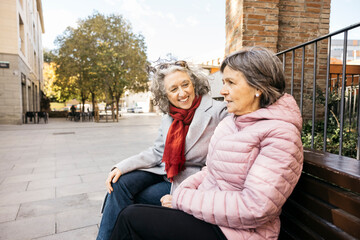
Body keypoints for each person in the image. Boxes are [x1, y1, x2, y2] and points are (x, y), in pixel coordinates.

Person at [110, 47, 304, 240]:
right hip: (210, 212)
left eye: (231, 83)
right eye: (224, 82)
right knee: (124, 191)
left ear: (258, 88)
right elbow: (209, 171)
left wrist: (182, 199)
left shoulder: (280, 134)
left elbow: (255, 207)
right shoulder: (231, 123)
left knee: (131, 218)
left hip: (238, 232)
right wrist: (183, 193)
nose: (222, 90)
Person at [96, 60, 228, 240]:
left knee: (131, 199)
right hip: (164, 170)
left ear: (194, 83)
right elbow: (158, 152)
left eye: (185, 84)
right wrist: (121, 166)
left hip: (189, 179)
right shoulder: (169, 116)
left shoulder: (218, 111)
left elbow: (220, 163)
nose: (182, 93)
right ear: (165, 94)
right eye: (174, 89)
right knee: (119, 184)